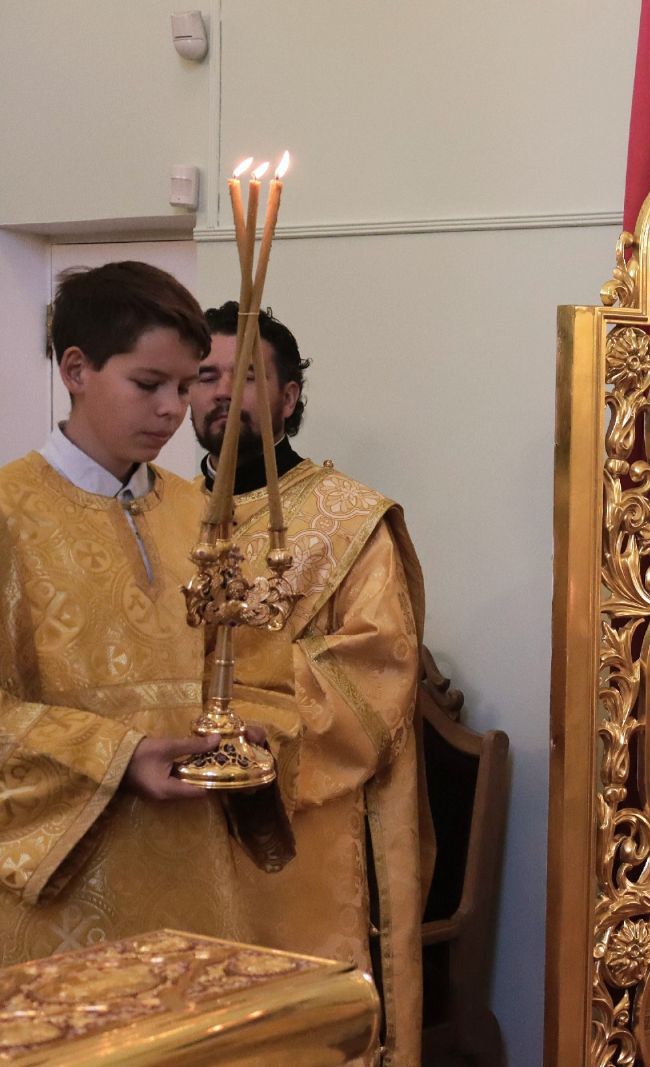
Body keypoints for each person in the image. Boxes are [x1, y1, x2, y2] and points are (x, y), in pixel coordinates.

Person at [0, 262, 280, 961]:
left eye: (185, 387)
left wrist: (253, 729)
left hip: (199, 869)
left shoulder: (198, 512)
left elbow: (255, 667)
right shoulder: (8, 512)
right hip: (65, 883)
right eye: (148, 384)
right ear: (76, 369)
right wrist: (119, 756)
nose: (172, 411)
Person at [190, 302, 431, 1066]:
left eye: (244, 376)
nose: (220, 393)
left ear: (289, 395)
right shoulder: (165, 517)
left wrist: (233, 719)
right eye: (204, 376)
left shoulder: (350, 518)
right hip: (180, 817)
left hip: (306, 826)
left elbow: (379, 665)